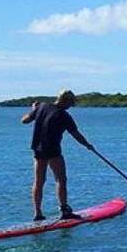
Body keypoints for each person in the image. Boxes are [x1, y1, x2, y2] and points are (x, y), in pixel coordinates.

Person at [21, 89, 94, 221]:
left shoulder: (41, 107)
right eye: (70, 103)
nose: (70, 106)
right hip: (53, 151)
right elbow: (76, 134)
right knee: (61, 179)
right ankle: (64, 211)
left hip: (38, 149)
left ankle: (38, 213)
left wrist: (34, 110)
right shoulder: (64, 116)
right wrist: (87, 145)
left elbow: (25, 120)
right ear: (64, 101)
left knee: (39, 181)